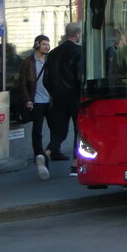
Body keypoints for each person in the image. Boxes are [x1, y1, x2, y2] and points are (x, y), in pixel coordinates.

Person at [44, 22, 83, 172]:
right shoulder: (79, 51)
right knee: (78, 130)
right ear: (77, 34)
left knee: (60, 130)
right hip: (74, 97)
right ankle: (75, 164)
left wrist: (54, 92)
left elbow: (46, 79)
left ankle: (46, 153)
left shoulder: (53, 53)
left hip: (58, 97)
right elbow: (80, 76)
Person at [18, 34, 53, 180]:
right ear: (37, 45)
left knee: (57, 129)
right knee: (37, 131)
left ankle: (47, 155)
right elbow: (23, 83)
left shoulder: (50, 61)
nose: (47, 47)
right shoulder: (28, 62)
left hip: (50, 101)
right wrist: (27, 99)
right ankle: (39, 156)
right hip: (36, 101)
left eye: (48, 44)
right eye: (44, 44)